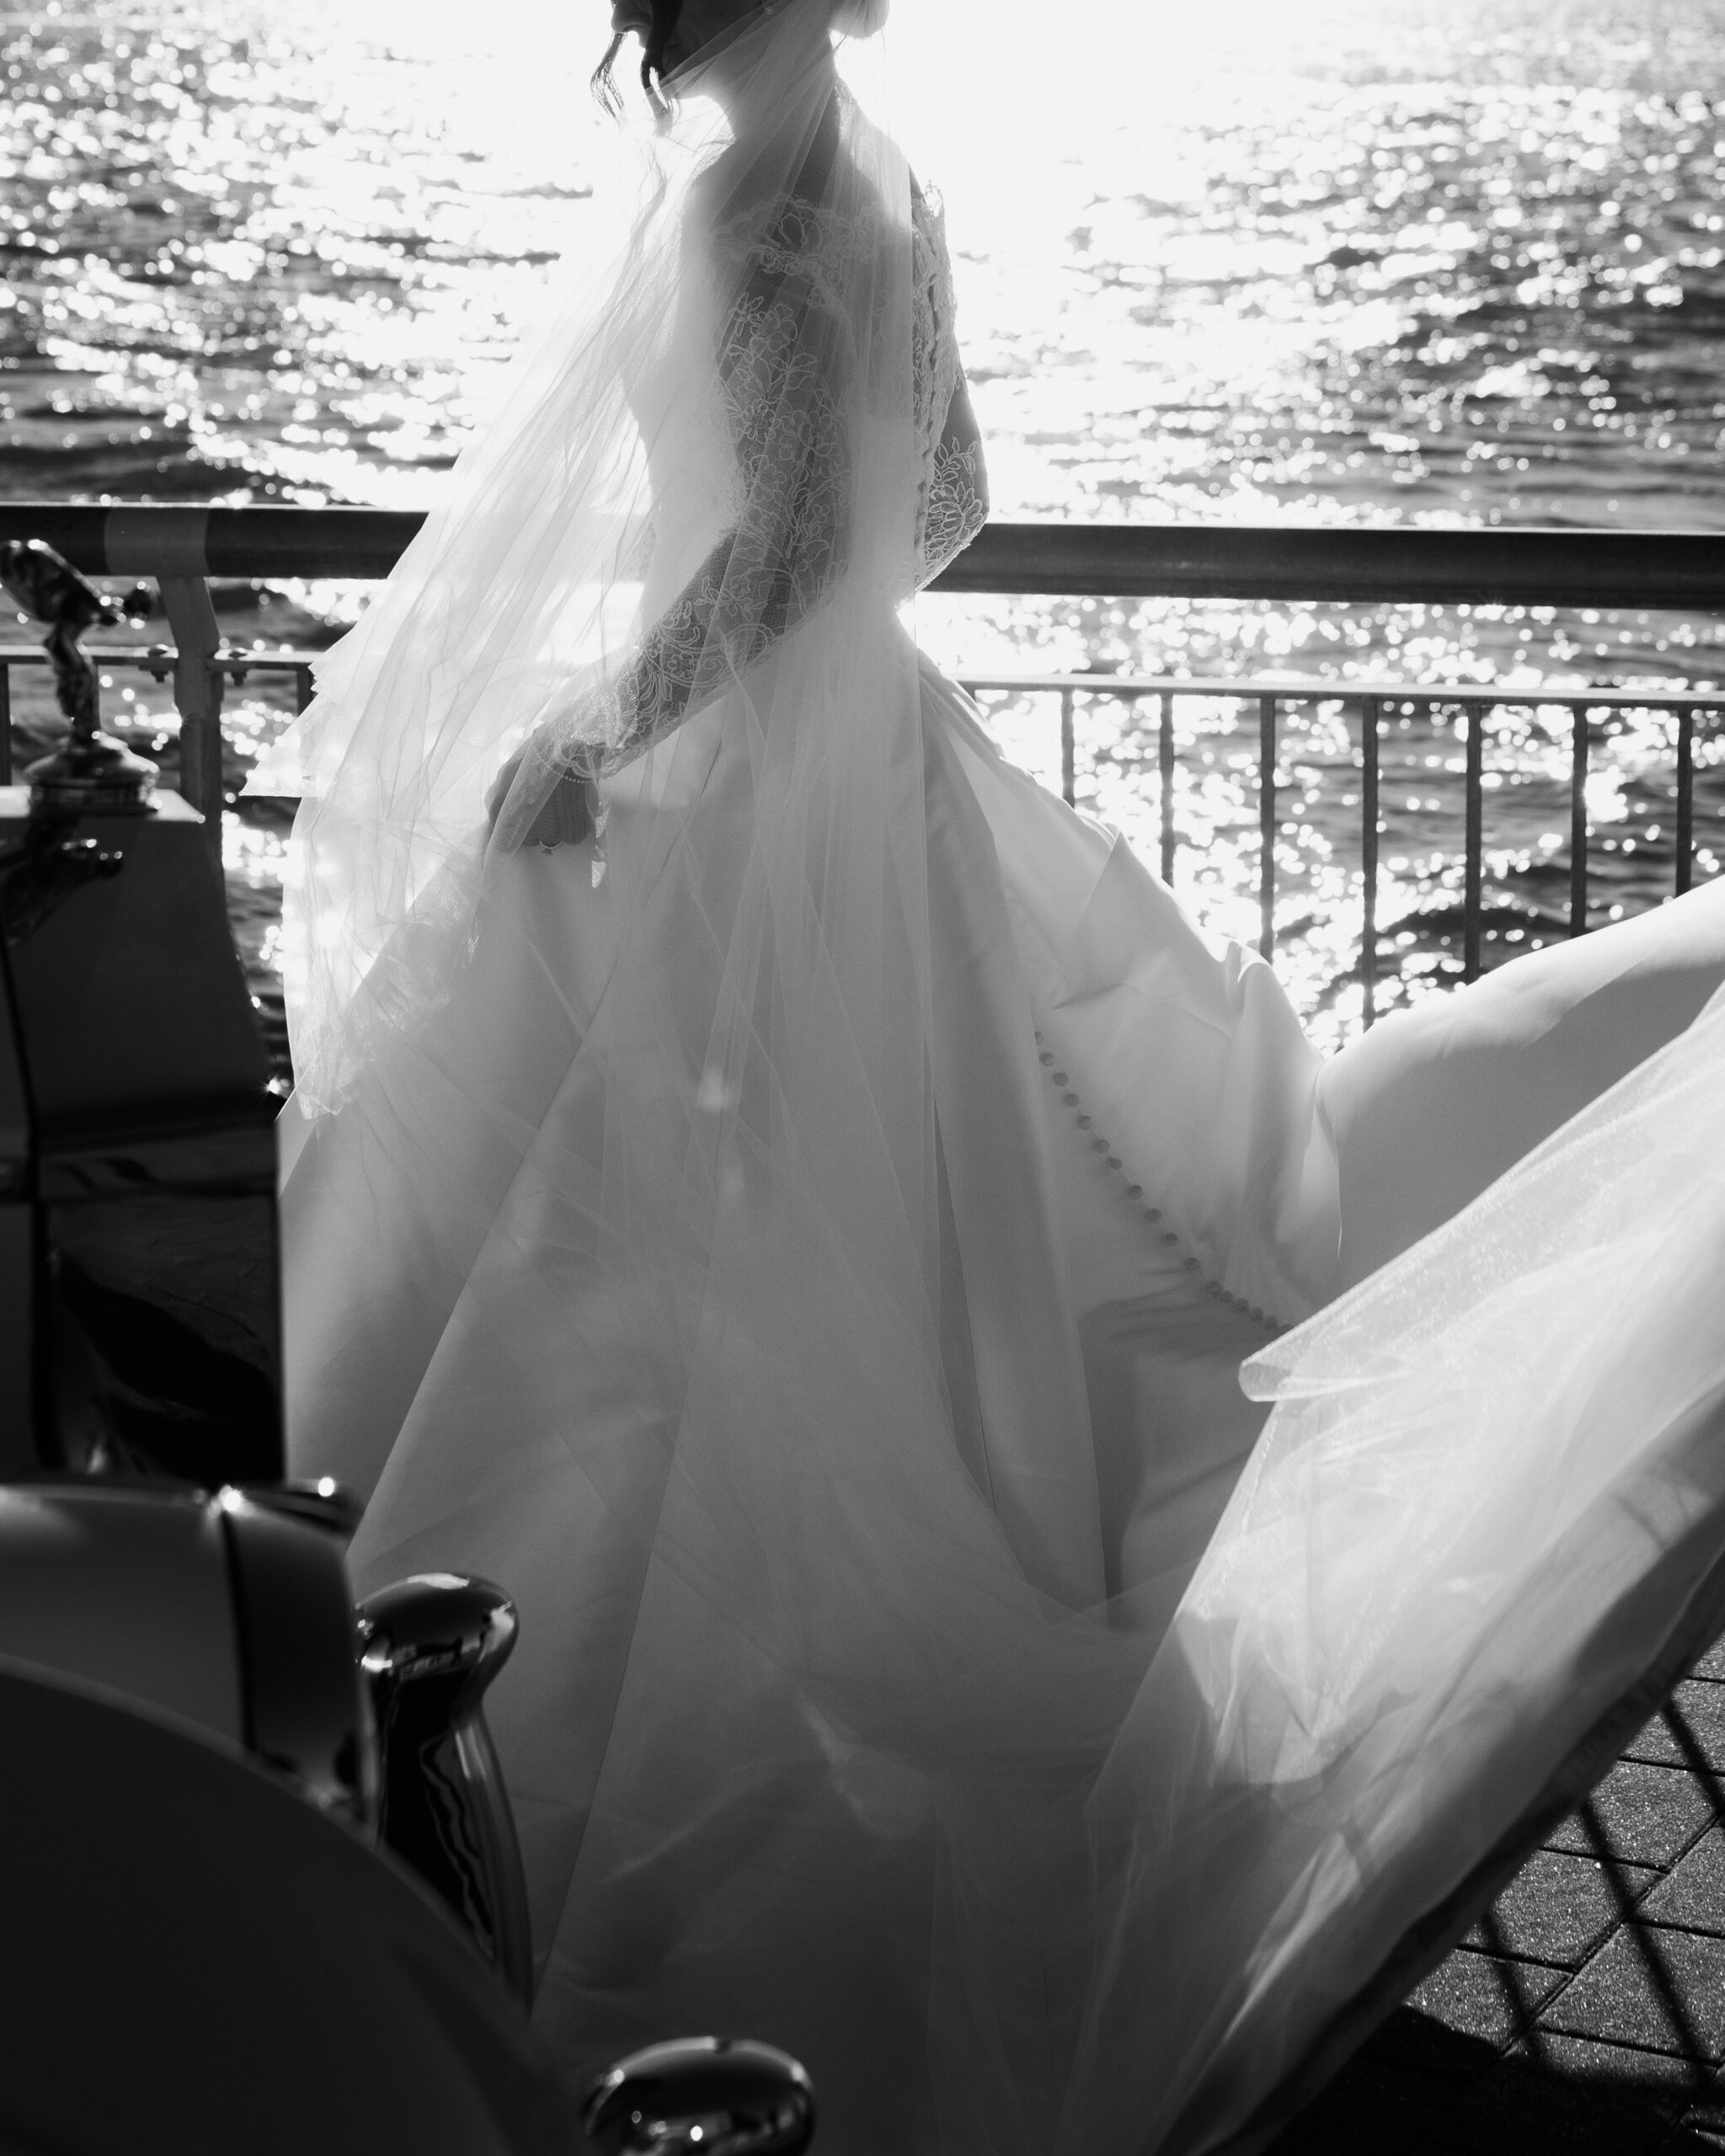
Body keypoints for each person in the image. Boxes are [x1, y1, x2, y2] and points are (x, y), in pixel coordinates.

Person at [253, 0, 1725, 2147]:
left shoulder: (752, 210)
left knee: (682, 1266)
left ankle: (448, 1706)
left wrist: (604, 728)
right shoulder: (876, 178)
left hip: (754, 795)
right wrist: (828, 669)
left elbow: (774, 550)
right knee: (892, 1254)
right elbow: (942, 494)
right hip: (875, 769)